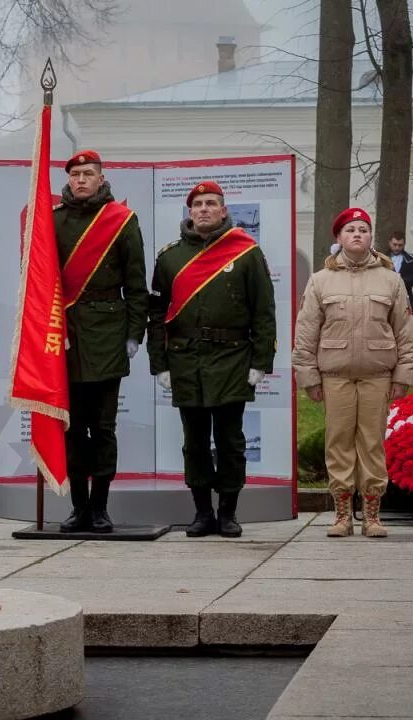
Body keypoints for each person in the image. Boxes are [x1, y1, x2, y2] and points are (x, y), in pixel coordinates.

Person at [147, 180, 276, 538]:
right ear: (189, 211)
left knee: (231, 439)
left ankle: (229, 512)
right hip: (186, 359)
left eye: (211, 203)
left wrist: (260, 362)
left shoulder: (246, 252)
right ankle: (202, 512)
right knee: (195, 440)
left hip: (233, 357)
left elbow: (264, 311)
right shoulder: (169, 256)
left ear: (223, 210)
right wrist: (160, 363)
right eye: (198, 204)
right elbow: (156, 314)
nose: (204, 209)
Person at [292, 208, 413, 538]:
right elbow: (306, 331)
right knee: (339, 443)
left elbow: (404, 330)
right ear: (339, 238)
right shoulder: (321, 280)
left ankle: (372, 515)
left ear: (370, 237)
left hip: (378, 376)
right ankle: (342, 514)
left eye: (363, 229)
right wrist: (308, 376)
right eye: (350, 230)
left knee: (373, 443)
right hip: (335, 377)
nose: (357, 234)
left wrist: (404, 375)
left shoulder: (390, 279)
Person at [53, 150, 148, 534]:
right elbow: (42, 282)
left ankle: (101, 506)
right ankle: (78, 508)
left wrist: (133, 334)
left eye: (87, 174)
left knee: (103, 427)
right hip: (67, 335)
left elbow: (137, 284)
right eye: (75, 174)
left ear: (101, 177)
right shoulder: (54, 220)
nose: (80, 180)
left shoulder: (121, 221)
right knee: (73, 428)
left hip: (109, 332)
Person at [388, 231, 413, 311]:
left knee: (406, 322)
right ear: (389, 243)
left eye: (400, 245)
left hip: (405, 297)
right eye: (394, 244)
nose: (397, 248)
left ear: (404, 244)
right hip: (387, 297)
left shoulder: (411, 259)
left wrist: (400, 281)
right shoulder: (381, 258)